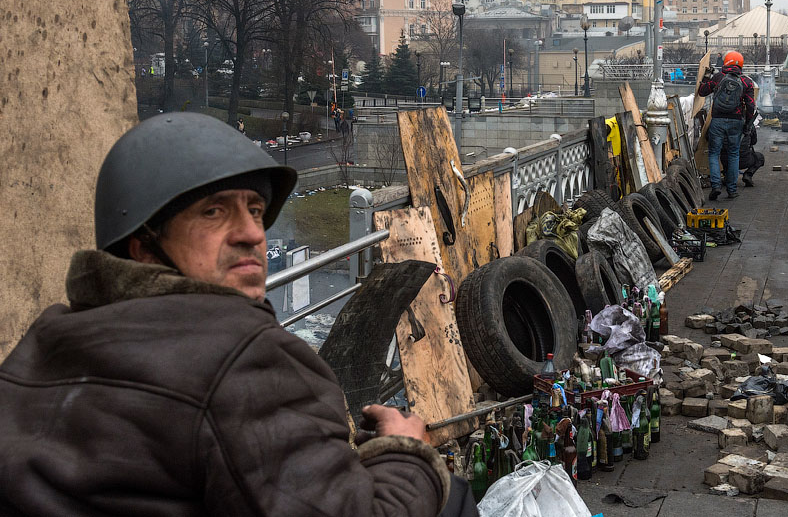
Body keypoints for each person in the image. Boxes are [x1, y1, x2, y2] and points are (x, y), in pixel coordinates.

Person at [0, 112, 463, 516]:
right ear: (143, 248)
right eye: (214, 212)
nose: (252, 234)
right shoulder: (241, 357)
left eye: (256, 210)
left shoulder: (43, 342)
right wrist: (408, 453)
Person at [698, 50, 756, 201]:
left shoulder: (718, 77)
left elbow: (702, 91)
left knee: (714, 153)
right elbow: (751, 106)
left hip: (717, 120)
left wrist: (705, 76)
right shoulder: (747, 82)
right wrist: (748, 124)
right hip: (736, 122)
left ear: (726, 62)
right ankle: (732, 189)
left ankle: (716, 186)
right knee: (733, 154)